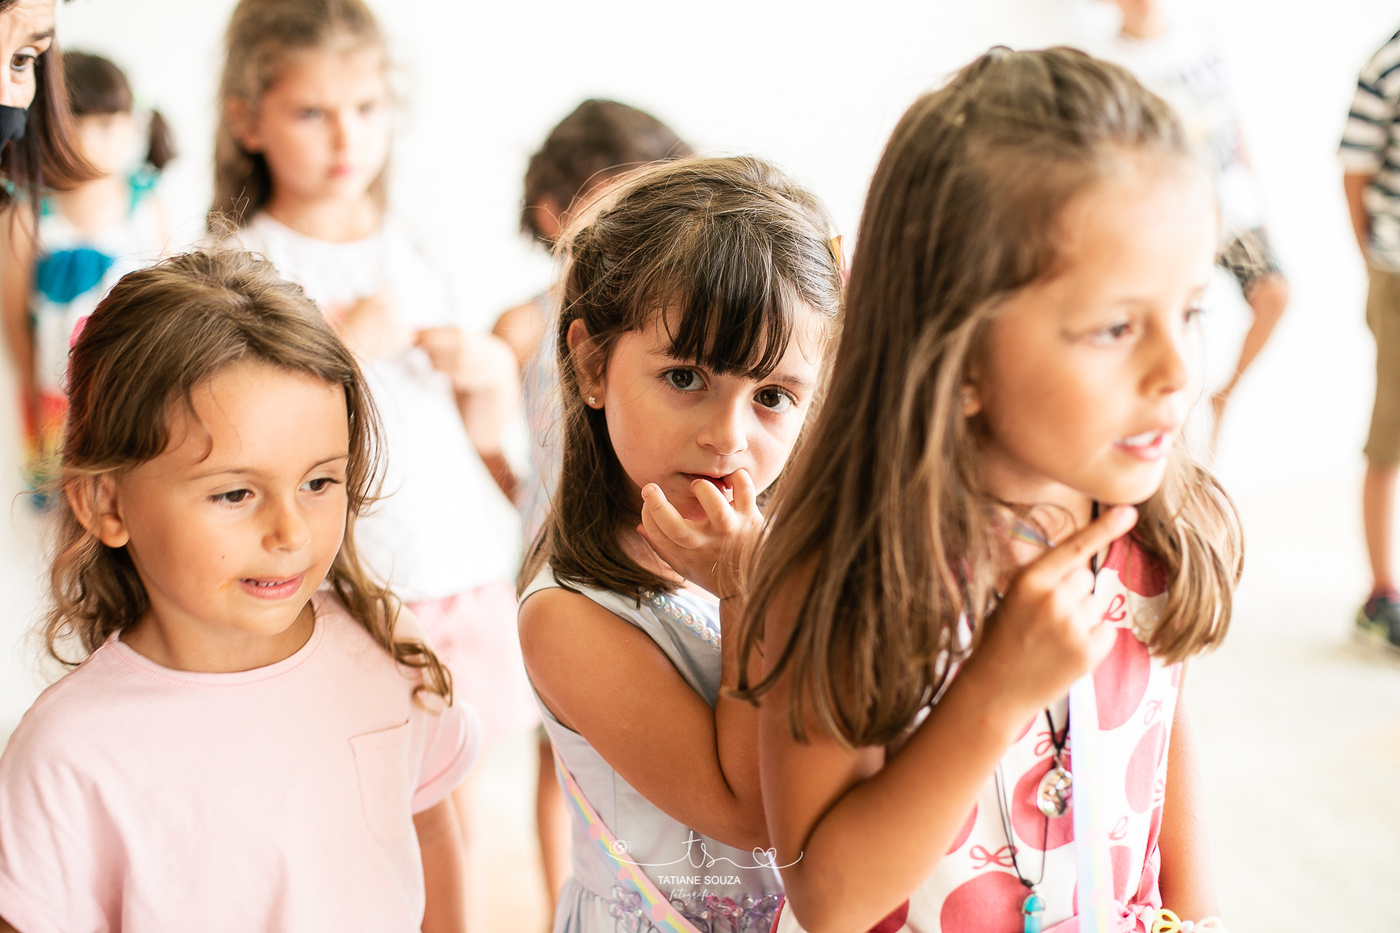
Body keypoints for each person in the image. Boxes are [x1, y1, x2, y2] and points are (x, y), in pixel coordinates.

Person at [740, 48, 1243, 933]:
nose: (1176, 371)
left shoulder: (1154, 524)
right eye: (1116, 327)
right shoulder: (846, 575)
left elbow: (1165, 728)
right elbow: (832, 901)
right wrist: (996, 692)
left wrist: (1196, 914)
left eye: (1190, 311)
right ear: (960, 353)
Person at [0, 250, 477, 933]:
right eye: (234, 493)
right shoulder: (64, 755)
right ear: (106, 503)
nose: (291, 532)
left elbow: (429, 831)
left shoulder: (384, 642)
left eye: (318, 482)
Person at [211, 0, 537, 907]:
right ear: (249, 120)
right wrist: (348, 343)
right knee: (360, 808)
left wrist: (486, 372)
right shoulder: (240, 263)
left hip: (454, 562)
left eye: (366, 108)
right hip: (348, 579)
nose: (346, 136)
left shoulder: (422, 245)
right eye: (312, 112)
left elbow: (484, 437)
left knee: (462, 801)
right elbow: (241, 429)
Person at [516, 155, 842, 933]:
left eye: (772, 396)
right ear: (593, 364)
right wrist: (744, 591)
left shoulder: (792, 553)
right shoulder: (566, 612)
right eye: (687, 377)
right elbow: (747, 810)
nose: (728, 435)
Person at [493, 100, 692, 911]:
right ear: (554, 213)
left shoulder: (668, 322)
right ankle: (559, 901)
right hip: (558, 547)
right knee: (563, 745)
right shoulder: (523, 324)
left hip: (654, 538)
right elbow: (487, 434)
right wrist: (517, 491)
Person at [1093, 0, 1290, 444]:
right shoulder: (1107, 63)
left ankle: (1221, 399)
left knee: (1275, 292)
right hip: (1168, 216)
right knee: (1176, 322)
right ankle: (1173, 430)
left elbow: (1231, 121)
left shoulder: (1202, 33)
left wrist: (1257, 197)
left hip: (1231, 207)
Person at [1, 50, 175, 503]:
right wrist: (33, 392)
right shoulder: (28, 213)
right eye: (94, 125)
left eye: (117, 122)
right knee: (67, 505)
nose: (111, 138)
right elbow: (15, 319)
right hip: (56, 395)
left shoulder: (146, 204)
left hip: (136, 385)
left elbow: (168, 300)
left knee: (134, 495)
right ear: (54, 128)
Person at [1342, 24, 1400, 651]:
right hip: (1398, 272)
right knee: (1390, 435)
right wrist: (1373, 261)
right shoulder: (1388, 62)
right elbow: (1355, 171)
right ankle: (1381, 594)